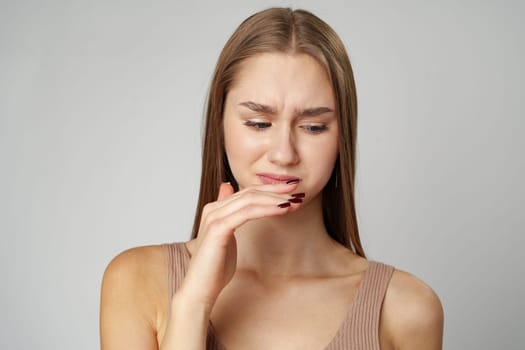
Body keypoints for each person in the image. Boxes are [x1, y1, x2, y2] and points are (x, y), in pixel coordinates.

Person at [100, 7, 443, 350]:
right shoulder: (136, 281)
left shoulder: (406, 308)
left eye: (313, 127)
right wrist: (193, 303)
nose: (283, 154)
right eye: (259, 123)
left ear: (342, 138)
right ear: (219, 125)